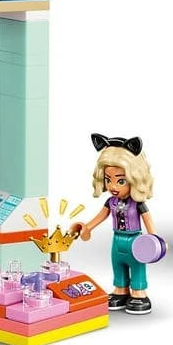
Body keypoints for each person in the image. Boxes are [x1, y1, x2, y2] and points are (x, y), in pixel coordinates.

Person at [68, 134, 158, 315]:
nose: (113, 186)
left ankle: (139, 292)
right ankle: (120, 290)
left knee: (137, 266)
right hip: (117, 240)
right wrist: (86, 227)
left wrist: (155, 240)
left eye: (121, 180)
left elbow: (149, 221)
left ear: (135, 178)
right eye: (108, 180)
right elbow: (99, 217)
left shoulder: (137, 204)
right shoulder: (111, 202)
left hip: (135, 241)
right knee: (117, 264)